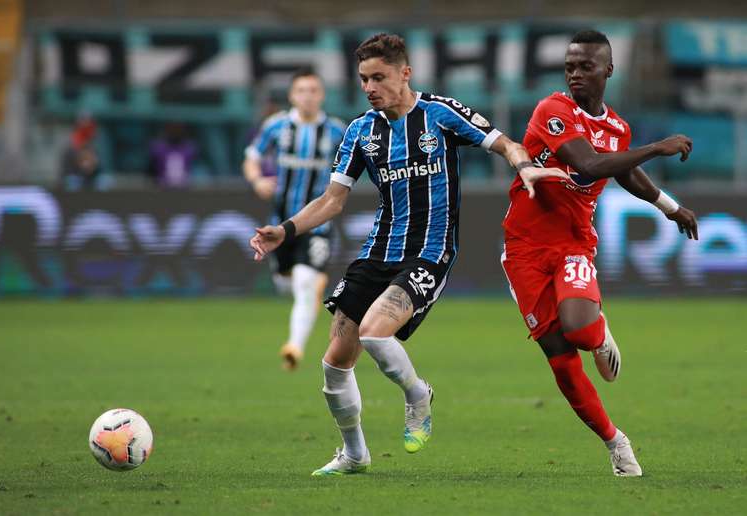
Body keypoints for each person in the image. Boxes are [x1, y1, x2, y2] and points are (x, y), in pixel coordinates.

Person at [250, 33, 567, 476]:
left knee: (378, 334)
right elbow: (331, 200)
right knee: (334, 363)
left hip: (430, 251)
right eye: (363, 79)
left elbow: (505, 143)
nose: (369, 87)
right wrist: (284, 230)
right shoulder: (361, 130)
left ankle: (418, 395)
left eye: (378, 77)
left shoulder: (440, 114)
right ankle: (354, 454)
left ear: (405, 73)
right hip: (378, 251)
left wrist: (524, 163)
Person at [500, 29, 699, 477]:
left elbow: (624, 172)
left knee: (579, 330)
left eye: (585, 67)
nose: (575, 74)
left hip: (572, 242)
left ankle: (597, 329)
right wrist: (655, 148)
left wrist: (669, 207)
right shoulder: (552, 110)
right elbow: (590, 165)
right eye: (569, 66)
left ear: (608, 70)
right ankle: (615, 441)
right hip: (524, 249)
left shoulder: (617, 128)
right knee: (559, 355)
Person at [243, 68, 347, 370]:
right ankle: (312, 288)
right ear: (292, 95)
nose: (308, 96)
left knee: (304, 282)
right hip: (280, 225)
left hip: (318, 224)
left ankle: (294, 348)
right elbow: (251, 157)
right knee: (286, 284)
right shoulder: (276, 127)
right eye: (301, 90)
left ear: (322, 95)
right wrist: (257, 180)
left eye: (313, 90)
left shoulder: (336, 131)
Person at [147, 122, 197, 189]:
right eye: (173, 129)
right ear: (167, 130)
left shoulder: (189, 148)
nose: (175, 132)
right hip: (162, 186)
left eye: (178, 129)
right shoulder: (158, 148)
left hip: (184, 186)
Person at [60, 115, 101, 191]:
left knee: (104, 181)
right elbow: (66, 170)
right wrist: (80, 166)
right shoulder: (70, 147)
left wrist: (93, 167)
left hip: (91, 178)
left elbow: (98, 169)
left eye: (89, 127)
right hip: (74, 177)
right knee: (72, 182)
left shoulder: (94, 147)